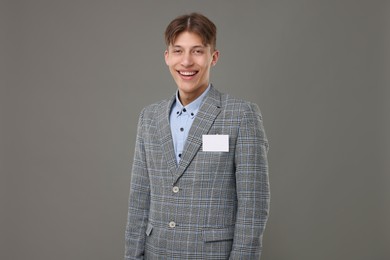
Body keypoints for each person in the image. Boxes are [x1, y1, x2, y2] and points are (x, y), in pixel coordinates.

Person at [125, 12, 270, 259]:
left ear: (213, 57)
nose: (187, 61)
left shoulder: (241, 115)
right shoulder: (149, 117)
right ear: (167, 57)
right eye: (178, 51)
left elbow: (253, 205)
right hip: (156, 252)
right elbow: (139, 198)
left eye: (197, 51)